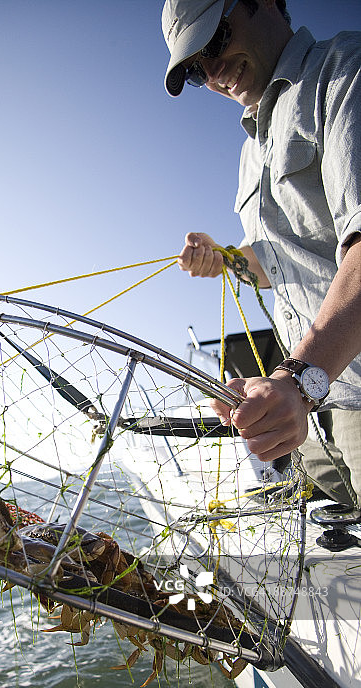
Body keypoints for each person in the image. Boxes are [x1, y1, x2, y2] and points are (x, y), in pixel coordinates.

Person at [161, 0, 361, 506]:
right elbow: (285, 260)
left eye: (215, 41)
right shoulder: (251, 152)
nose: (212, 72)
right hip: (315, 418)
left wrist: (298, 379)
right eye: (194, 68)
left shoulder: (344, 75)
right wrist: (225, 258)